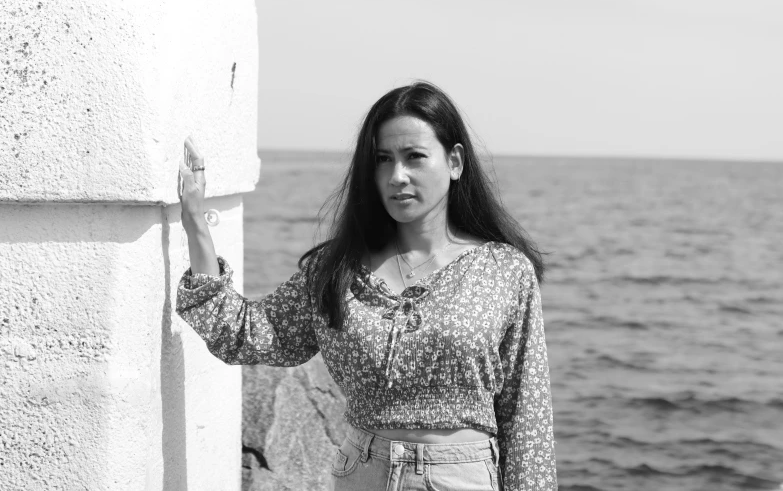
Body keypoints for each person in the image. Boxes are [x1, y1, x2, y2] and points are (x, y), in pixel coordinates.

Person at [176, 81, 557, 490]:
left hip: (461, 477)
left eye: (414, 157)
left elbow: (526, 413)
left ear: (455, 162)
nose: (397, 176)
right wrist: (196, 221)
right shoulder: (336, 269)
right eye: (382, 159)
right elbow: (244, 333)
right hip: (363, 472)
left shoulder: (502, 270)